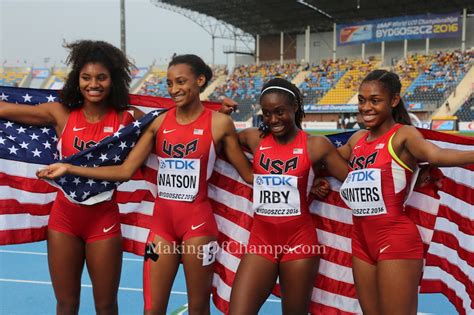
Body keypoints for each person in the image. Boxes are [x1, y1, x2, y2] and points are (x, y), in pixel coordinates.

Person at [37, 54, 254, 314]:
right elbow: (126, 170)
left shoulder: (220, 123)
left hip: (198, 224)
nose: (174, 89)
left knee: (198, 307)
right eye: (170, 83)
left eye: (181, 82)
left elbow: (249, 174)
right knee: (152, 310)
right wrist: (69, 167)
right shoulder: (158, 122)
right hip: (161, 227)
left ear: (200, 80)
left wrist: (304, 178)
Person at [0, 40, 142, 314]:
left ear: (113, 80)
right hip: (63, 219)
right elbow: (4, 110)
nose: (94, 84)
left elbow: (181, 121)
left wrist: (218, 112)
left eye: (101, 77)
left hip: (103, 219)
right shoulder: (61, 113)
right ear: (77, 80)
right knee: (65, 304)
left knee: (106, 306)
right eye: (86, 77)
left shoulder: (128, 119)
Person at [336, 69, 474, 315]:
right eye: (361, 100)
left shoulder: (403, 135)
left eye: (375, 100)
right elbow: (325, 161)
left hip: (395, 239)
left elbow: (436, 155)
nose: (366, 107)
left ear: (394, 100)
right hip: (360, 241)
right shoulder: (357, 140)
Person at [227, 78, 348, 314]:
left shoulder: (316, 146)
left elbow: (352, 180)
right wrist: (220, 113)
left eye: (279, 112)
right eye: (267, 113)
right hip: (261, 242)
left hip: (299, 244)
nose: (273, 120)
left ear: (295, 107)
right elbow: (223, 135)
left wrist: (416, 170)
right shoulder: (254, 138)